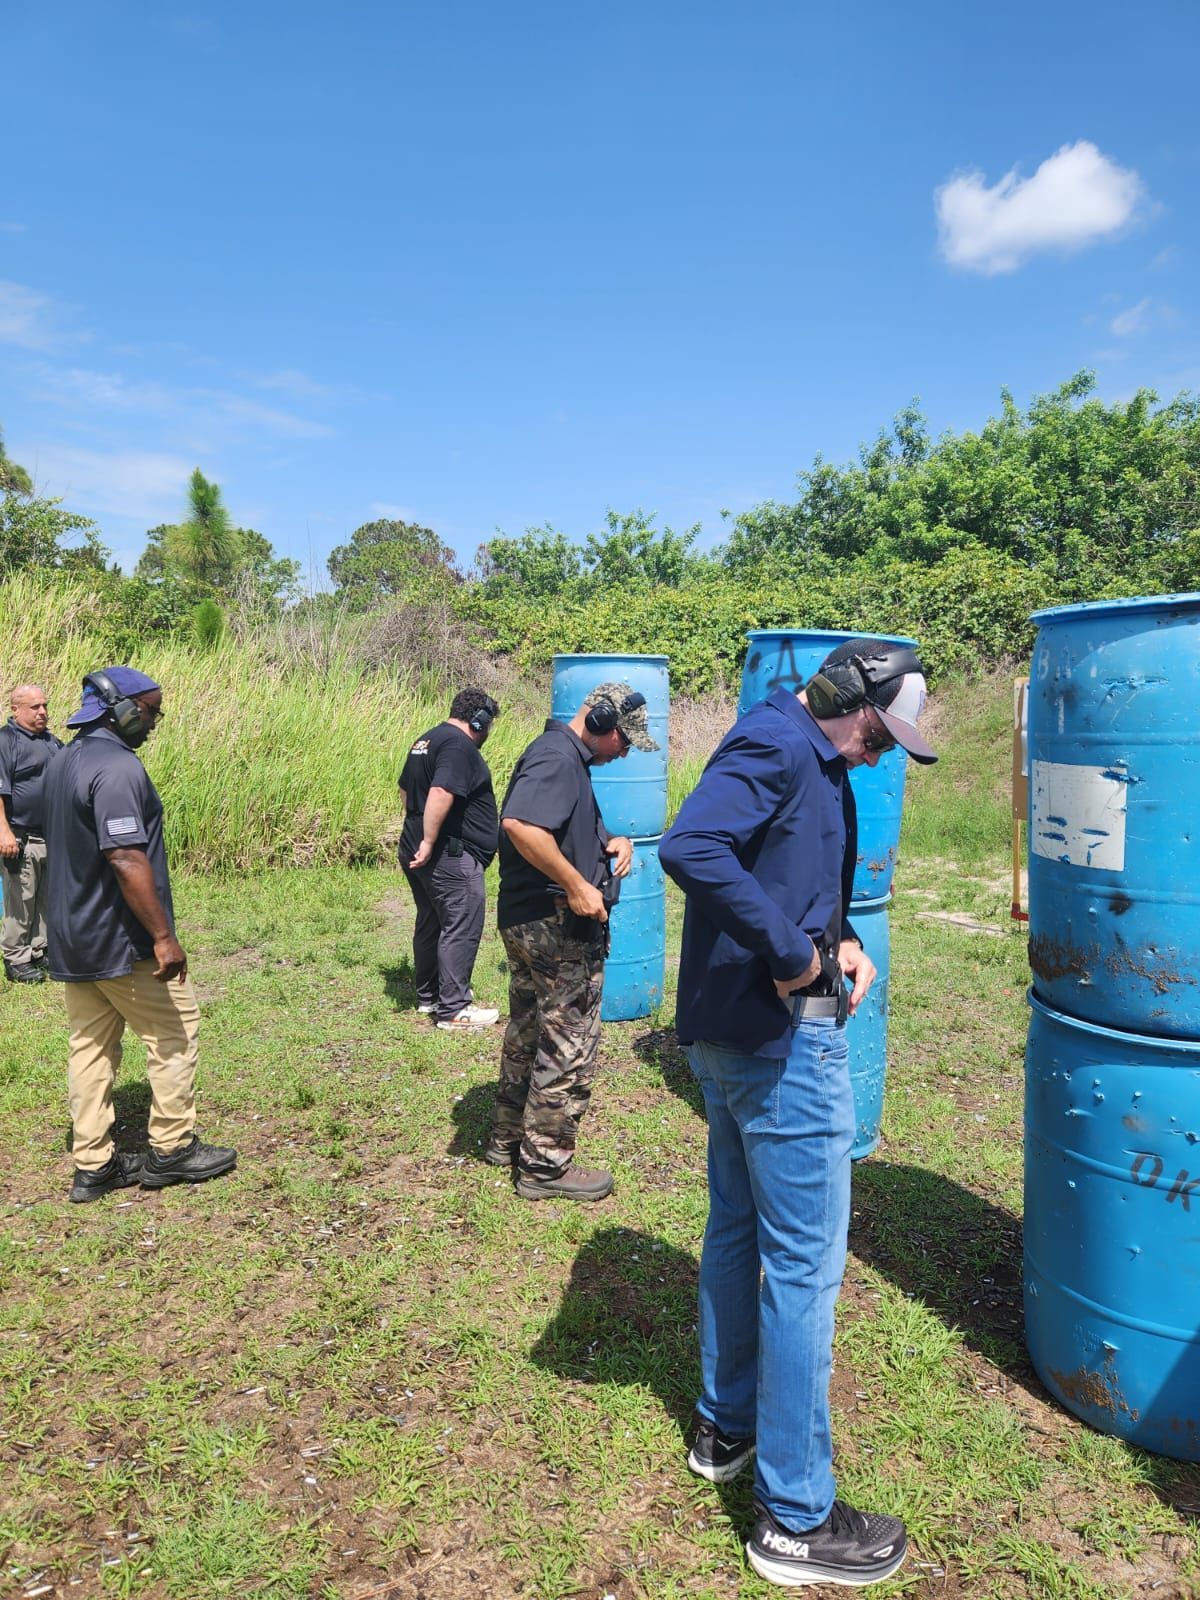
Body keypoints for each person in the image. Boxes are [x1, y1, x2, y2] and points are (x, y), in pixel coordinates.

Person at [659, 638, 937, 1589]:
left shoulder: (802, 748)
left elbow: (786, 870)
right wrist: (793, 956)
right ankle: (794, 1518)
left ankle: (725, 1426)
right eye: (881, 734)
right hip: (779, 1039)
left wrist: (839, 937)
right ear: (851, 697)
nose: (883, 753)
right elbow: (693, 846)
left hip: (739, 1030)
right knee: (805, 1270)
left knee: (739, 1230)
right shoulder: (779, 743)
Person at [43, 667, 237, 1204]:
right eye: (151, 711)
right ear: (123, 710)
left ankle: (94, 1164)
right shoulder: (118, 768)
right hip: (121, 940)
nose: (154, 722)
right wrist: (163, 937)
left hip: (72, 936)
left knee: (89, 1048)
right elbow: (125, 857)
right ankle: (173, 1148)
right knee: (174, 1033)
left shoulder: (62, 761)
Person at [488, 682, 657, 1202]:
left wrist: (612, 840)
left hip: (530, 920)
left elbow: (564, 827)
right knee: (568, 1042)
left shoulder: (566, 759)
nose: (625, 752)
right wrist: (578, 885)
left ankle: (507, 1138)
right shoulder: (557, 758)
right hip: (556, 925)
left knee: (528, 1029)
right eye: (624, 740)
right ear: (600, 721)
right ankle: (545, 1165)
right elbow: (521, 825)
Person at [398, 688, 502, 1031]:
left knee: (431, 919)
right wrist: (430, 840)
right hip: (449, 853)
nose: (488, 733)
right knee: (461, 922)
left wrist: (420, 832)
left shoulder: (426, 740)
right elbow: (441, 791)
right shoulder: (459, 745)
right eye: (489, 724)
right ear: (479, 720)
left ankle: (430, 996)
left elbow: (406, 791)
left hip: (416, 845)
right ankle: (454, 1009)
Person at [0, 684, 63, 983]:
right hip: (19, 836)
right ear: (16, 709)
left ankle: (40, 949)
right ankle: (15, 958)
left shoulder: (52, 742)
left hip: (50, 834)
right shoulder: (5, 740)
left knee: (45, 897)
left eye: (45, 706)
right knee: (21, 899)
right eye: (35, 707)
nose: (42, 712)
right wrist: (4, 832)